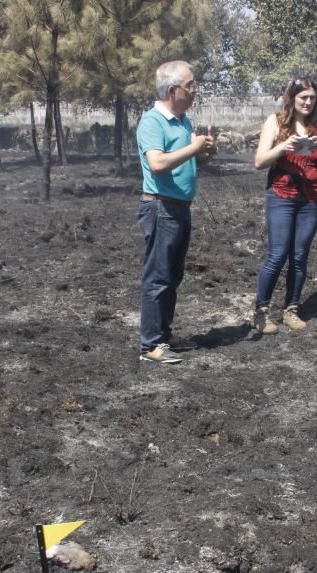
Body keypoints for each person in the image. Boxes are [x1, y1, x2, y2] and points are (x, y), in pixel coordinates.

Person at [251, 75, 317, 334]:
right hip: (281, 196)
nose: (308, 102)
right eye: (303, 97)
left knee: (299, 256)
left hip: (312, 200)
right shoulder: (276, 122)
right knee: (277, 254)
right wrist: (284, 146)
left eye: (312, 98)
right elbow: (260, 161)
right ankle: (261, 312)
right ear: (292, 98)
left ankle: (291, 309)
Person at [136, 60, 216, 363]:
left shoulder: (183, 121)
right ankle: (150, 346)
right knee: (158, 276)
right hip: (160, 207)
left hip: (180, 208)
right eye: (190, 85)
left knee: (172, 275)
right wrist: (194, 148)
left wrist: (204, 154)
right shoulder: (152, 122)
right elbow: (157, 163)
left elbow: (185, 162)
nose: (195, 90)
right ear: (172, 90)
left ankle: (163, 337)